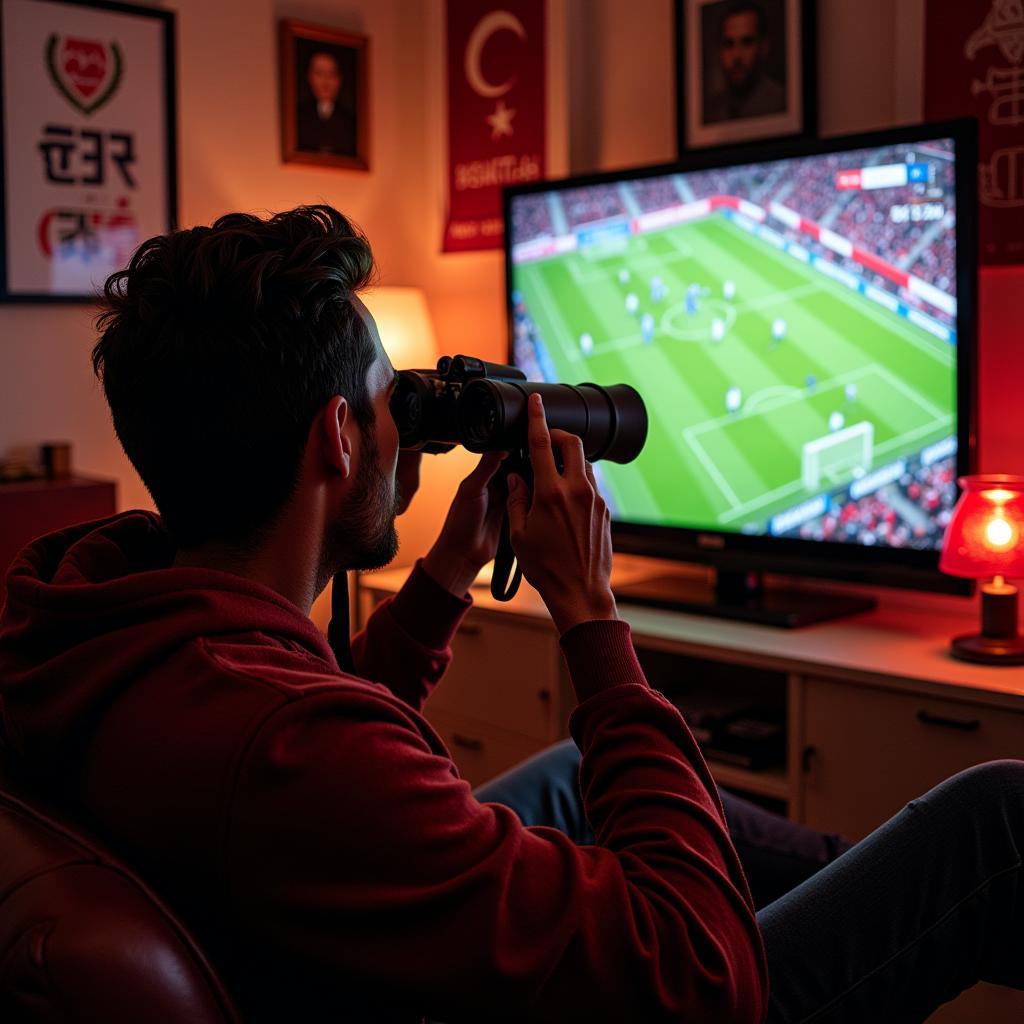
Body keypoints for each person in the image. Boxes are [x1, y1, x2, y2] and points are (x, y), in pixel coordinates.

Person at [1, 206, 1023, 1023]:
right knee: (994, 821)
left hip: (319, 949)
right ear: (337, 442)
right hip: (670, 981)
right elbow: (701, 978)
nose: (407, 426)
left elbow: (293, 734)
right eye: (385, 399)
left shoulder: (95, 620)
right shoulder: (292, 753)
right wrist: (588, 612)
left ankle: (864, 883)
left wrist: (449, 570)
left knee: (585, 776)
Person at [705, 1, 786, 124]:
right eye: (728, 44)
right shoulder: (711, 111)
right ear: (719, 51)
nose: (737, 55)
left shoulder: (782, 102)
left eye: (747, 42)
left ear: (763, 47)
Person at [297, 49, 356, 155]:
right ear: (310, 77)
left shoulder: (350, 121)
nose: (326, 80)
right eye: (319, 73)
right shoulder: (299, 116)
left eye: (331, 74)